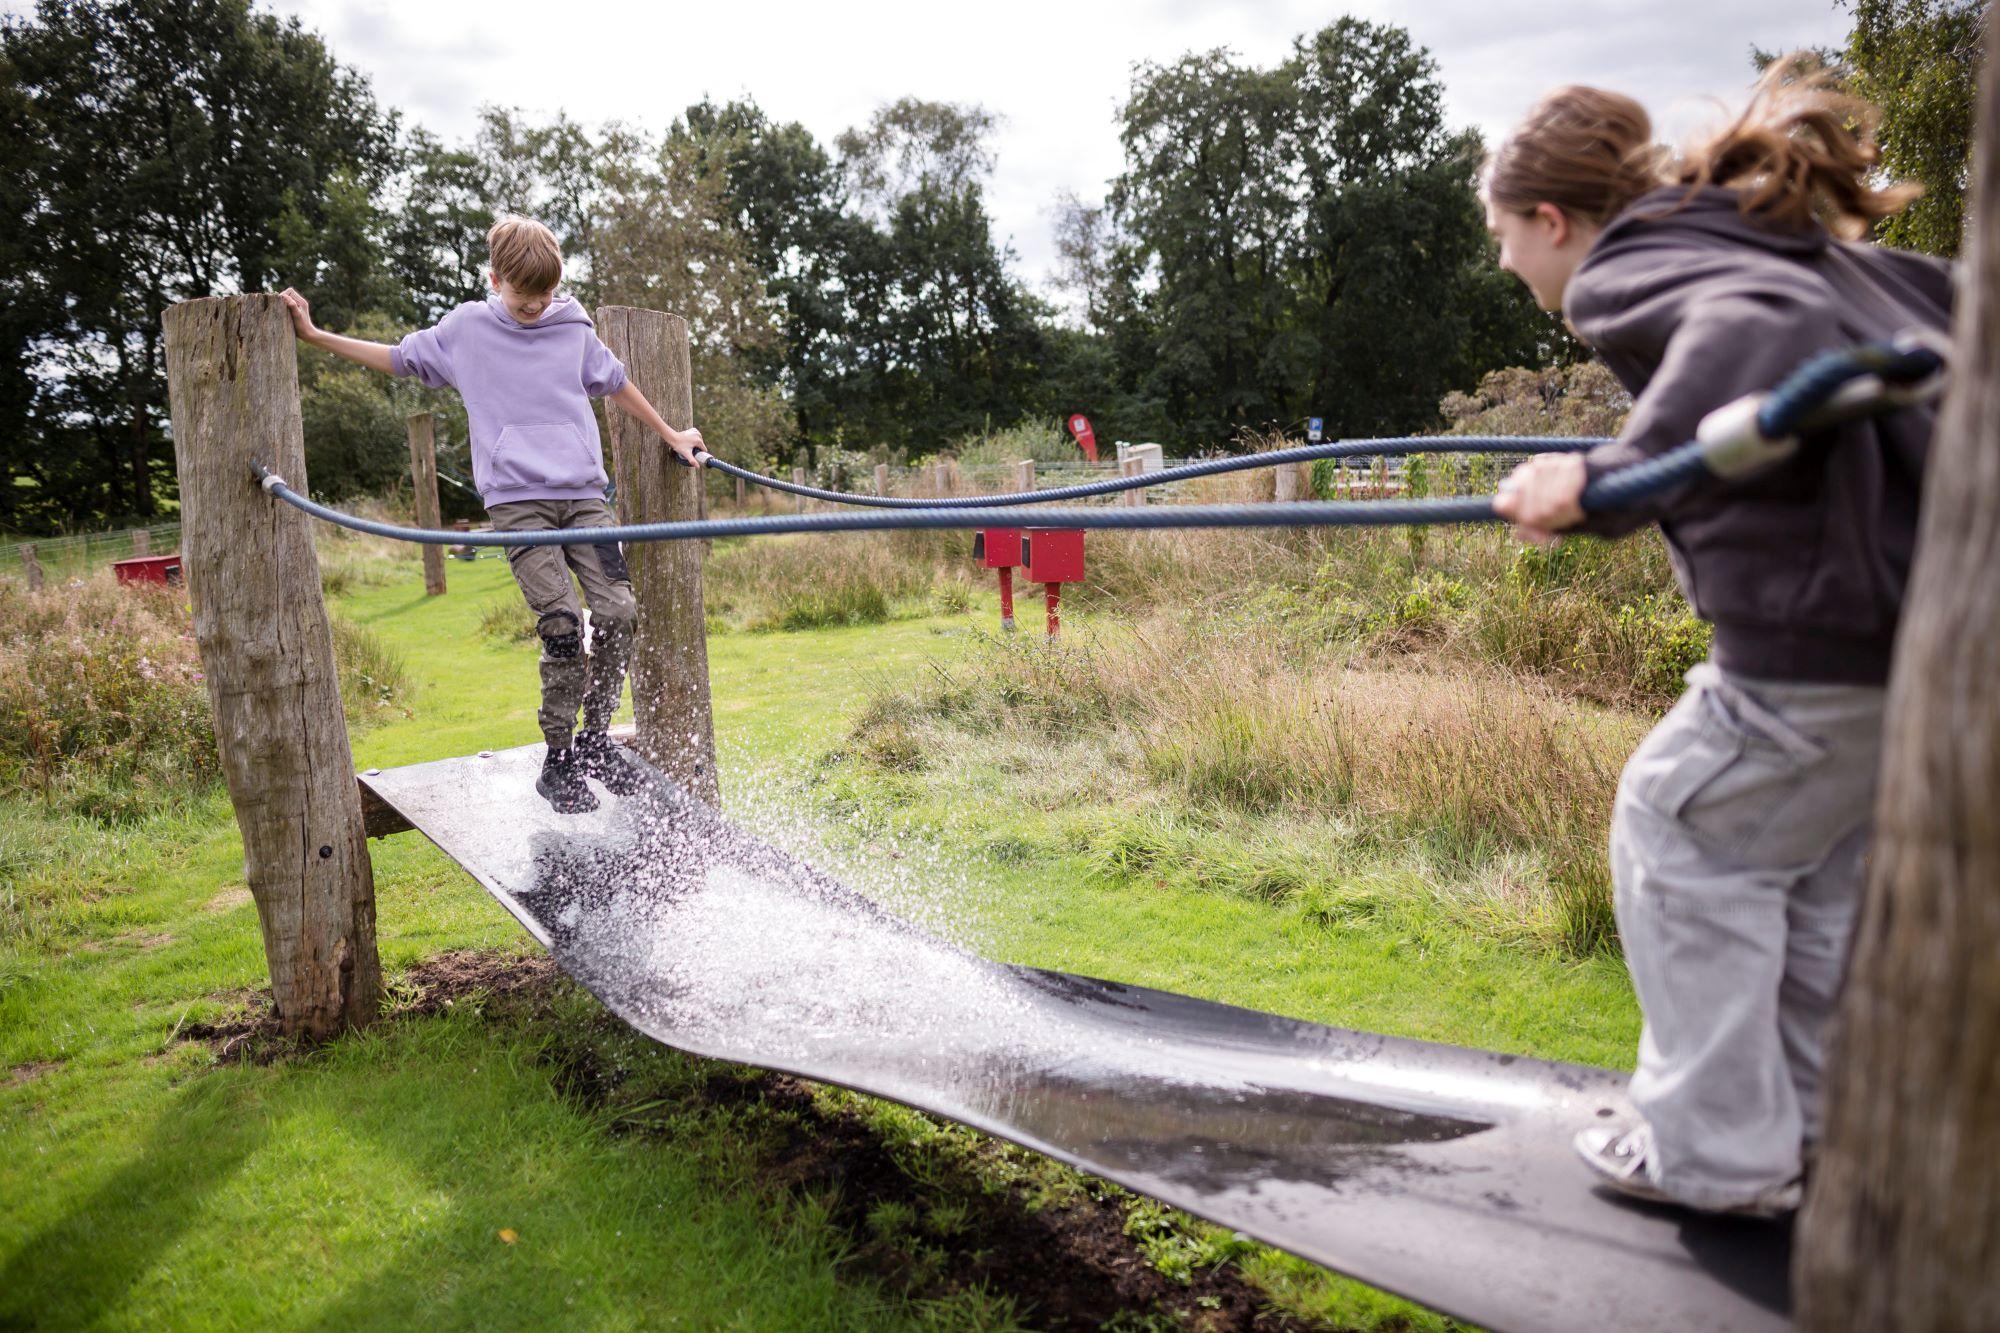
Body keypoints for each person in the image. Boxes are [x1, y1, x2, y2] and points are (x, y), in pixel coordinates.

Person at [1485, 62, 1952, 1216]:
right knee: (1804, 881)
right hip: (1925, 641)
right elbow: (1936, 304)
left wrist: (1597, 482)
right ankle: (1802, 1135)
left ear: (1551, 220)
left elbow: (1761, 331)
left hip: (1815, 640)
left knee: (1674, 825)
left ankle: (1712, 1156)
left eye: (1502, 234)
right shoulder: (1770, 239)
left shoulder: (1629, 266)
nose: (1503, 263)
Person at [281, 215, 706, 814]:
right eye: (522, 299)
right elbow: (398, 358)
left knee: (619, 612)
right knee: (561, 622)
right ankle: (559, 762)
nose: (535, 309)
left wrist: (671, 433)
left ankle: (594, 741)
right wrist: (318, 335)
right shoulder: (466, 329)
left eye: (545, 298)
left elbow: (616, 384)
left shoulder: (573, 327)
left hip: (584, 495)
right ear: (494, 279)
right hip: (516, 503)